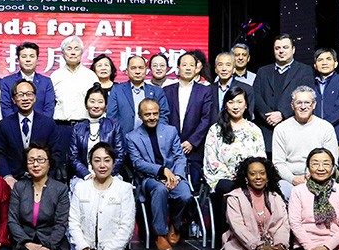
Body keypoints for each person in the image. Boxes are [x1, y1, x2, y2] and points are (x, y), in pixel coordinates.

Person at [127, 98, 193, 250]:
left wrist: (176, 176)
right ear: (140, 116)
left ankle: (175, 225)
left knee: (185, 195)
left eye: (155, 113)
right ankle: (160, 234)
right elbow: (137, 163)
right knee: (160, 189)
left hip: (174, 175)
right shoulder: (132, 137)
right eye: (147, 114)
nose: (152, 117)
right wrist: (161, 170)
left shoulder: (170, 131)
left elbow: (180, 157)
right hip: (150, 178)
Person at [202, 86, 265, 238]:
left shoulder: (254, 130)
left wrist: (246, 176)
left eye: (239, 102)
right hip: (223, 178)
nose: (235, 106)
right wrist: (233, 176)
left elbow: (260, 158)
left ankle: (254, 237)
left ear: (246, 105)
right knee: (230, 189)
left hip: (249, 178)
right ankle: (227, 238)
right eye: (231, 102)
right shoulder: (216, 130)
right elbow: (211, 160)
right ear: (225, 105)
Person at [271, 86, 339, 201]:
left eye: (307, 102)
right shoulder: (281, 129)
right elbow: (278, 163)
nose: (303, 107)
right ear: (292, 106)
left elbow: (333, 162)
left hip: (320, 177)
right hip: (290, 180)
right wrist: (293, 179)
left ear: (314, 105)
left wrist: (314, 177)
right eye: (299, 103)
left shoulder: (326, 128)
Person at [252, 33, 314, 153]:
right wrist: (268, 116)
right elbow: (256, 96)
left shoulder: (304, 70)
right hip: (266, 129)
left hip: (293, 128)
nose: (281, 51)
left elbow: (306, 97)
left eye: (285, 47)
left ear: (293, 49)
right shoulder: (263, 71)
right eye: (277, 48)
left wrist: (282, 114)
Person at [164, 50, 215, 189]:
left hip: (194, 150)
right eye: (184, 65)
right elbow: (163, 118)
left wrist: (192, 142)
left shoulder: (205, 91)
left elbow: (206, 119)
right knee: (170, 186)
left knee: (194, 188)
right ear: (178, 68)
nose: (187, 68)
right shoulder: (167, 90)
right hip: (170, 148)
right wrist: (172, 142)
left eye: (191, 65)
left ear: (196, 68)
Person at [0, 78, 60, 185]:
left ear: (35, 98)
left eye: (29, 94)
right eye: (20, 95)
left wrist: (46, 177)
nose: (25, 98)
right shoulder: (4, 125)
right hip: (13, 180)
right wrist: (7, 176)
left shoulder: (48, 124)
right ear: (14, 100)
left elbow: (55, 154)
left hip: (42, 179)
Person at [70, 85, 127, 184]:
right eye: (92, 101)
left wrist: (107, 173)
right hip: (85, 176)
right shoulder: (77, 128)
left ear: (105, 105)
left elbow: (120, 154)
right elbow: (73, 157)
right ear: (86, 104)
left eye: (100, 102)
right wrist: (87, 174)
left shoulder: (114, 126)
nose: (96, 106)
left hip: (110, 174)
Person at [107, 55, 171, 135]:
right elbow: (111, 117)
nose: (137, 71)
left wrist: (159, 136)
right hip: (123, 138)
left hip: (151, 137)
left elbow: (163, 116)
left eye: (141, 68)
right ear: (127, 71)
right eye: (133, 68)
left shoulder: (157, 91)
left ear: (146, 70)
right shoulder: (117, 90)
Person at [310, 48, 339, 153]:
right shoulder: (310, 84)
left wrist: (320, 126)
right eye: (320, 60)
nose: (324, 62)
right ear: (315, 65)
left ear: (335, 63)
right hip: (315, 141)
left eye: (328, 59)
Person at [0, 40, 57, 119]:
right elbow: (6, 108)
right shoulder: (7, 82)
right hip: (14, 125)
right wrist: (17, 124)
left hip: (41, 125)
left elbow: (49, 108)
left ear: (37, 59)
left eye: (32, 56)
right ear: (18, 60)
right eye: (24, 56)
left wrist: (39, 124)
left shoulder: (46, 82)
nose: (28, 60)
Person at [207, 50, 253, 117]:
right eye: (220, 65)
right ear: (215, 69)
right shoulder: (208, 90)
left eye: (228, 65)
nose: (224, 69)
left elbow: (249, 114)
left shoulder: (246, 89)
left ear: (234, 69)